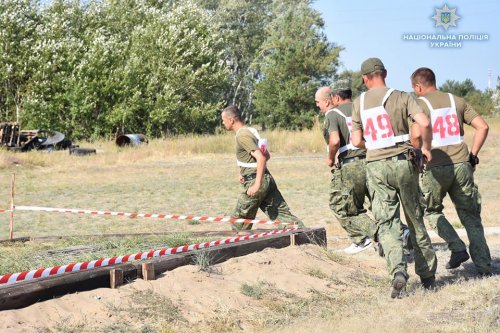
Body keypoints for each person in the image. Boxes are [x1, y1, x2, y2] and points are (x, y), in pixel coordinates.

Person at [351, 58, 437, 298]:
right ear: (385, 73)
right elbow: (424, 123)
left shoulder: (359, 103)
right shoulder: (402, 96)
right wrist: (425, 148)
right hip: (404, 161)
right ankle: (428, 275)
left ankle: (398, 272)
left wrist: (375, 144)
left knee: (387, 224)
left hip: (376, 165)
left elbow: (357, 141)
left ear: (364, 78)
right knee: (414, 218)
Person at [411, 67, 492, 277]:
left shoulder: (419, 104)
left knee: (431, 211)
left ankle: (457, 247)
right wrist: (473, 155)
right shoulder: (456, 100)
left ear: (418, 86)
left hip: (435, 167)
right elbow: (482, 127)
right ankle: (484, 266)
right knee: (471, 216)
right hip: (462, 164)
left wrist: (419, 155)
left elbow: (415, 136)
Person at [315, 84, 377, 254]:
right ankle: (401, 232)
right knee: (378, 204)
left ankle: (368, 237)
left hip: (350, 164)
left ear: (330, 100)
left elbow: (334, 140)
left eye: (318, 102)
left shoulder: (332, 114)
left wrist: (330, 159)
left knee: (344, 206)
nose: (317, 106)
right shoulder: (361, 108)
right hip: (372, 160)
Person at [221, 105, 304, 231]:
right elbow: (266, 155)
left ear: (231, 120)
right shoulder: (251, 131)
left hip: (256, 180)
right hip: (265, 178)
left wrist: (256, 185)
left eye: (223, 120)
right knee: (282, 216)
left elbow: (261, 158)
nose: (223, 123)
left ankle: (237, 248)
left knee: (239, 221)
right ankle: (308, 237)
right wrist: (242, 173)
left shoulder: (242, 135)